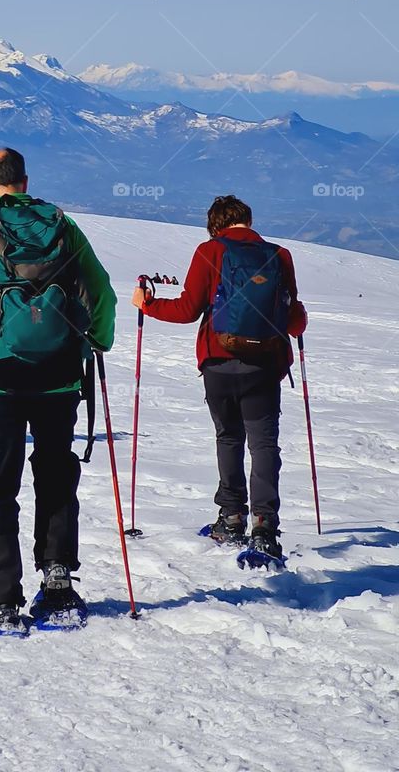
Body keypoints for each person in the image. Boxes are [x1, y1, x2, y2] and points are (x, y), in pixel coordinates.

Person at [0, 147, 116, 632]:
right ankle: (57, 584)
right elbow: (103, 293)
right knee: (55, 475)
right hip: (59, 377)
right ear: (25, 181)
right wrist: (97, 341)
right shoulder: (63, 226)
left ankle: (1, 599)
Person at [132, 194, 307, 562]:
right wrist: (299, 320)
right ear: (248, 219)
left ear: (215, 225)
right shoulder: (280, 255)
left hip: (218, 362)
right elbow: (291, 316)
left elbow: (187, 309)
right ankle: (264, 525)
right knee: (263, 444)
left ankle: (231, 518)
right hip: (263, 365)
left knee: (228, 437)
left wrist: (147, 304)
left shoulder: (209, 251)